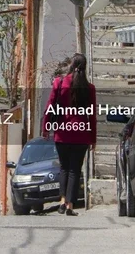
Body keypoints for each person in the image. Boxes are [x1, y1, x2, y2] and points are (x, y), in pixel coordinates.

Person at [42, 53, 97, 216]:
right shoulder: (90, 88)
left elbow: (50, 107)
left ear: (71, 65)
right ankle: (70, 206)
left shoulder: (59, 83)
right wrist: (93, 138)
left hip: (62, 133)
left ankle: (61, 201)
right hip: (81, 135)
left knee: (64, 167)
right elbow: (92, 116)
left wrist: (46, 128)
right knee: (75, 169)